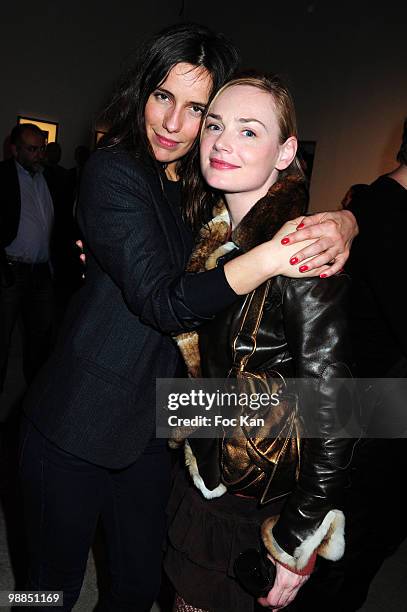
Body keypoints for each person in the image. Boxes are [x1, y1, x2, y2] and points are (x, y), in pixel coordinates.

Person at [19, 24, 357, 612]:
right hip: (76, 422)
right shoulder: (114, 171)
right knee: (47, 590)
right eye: (162, 96)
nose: (174, 124)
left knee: (135, 587)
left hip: (160, 434)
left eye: (198, 107)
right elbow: (164, 301)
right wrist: (275, 254)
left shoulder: (206, 194)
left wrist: (349, 221)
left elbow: (340, 397)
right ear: (140, 93)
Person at [163, 73, 355, 612]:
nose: (223, 141)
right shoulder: (213, 240)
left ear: (285, 152)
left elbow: (337, 409)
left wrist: (297, 537)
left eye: (250, 131)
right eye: (216, 125)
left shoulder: (305, 255)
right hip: (205, 474)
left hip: (256, 503)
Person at [0, 123, 56, 395]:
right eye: (32, 149)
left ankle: (34, 398)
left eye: (41, 148)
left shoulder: (49, 177)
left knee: (40, 340)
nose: (39, 154)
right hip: (10, 272)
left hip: (41, 274)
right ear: (14, 149)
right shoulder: (2, 177)